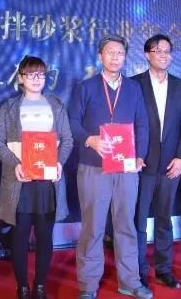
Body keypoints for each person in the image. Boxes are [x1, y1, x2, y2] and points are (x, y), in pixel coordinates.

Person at [68, 35, 152, 299]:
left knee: (126, 224)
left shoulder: (134, 88)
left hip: (126, 167)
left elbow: (142, 123)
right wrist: (89, 139)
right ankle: (88, 285)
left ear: (125, 57)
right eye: (110, 52)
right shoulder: (86, 87)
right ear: (100, 56)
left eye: (120, 53)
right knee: (93, 227)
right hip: (94, 166)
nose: (115, 57)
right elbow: (72, 122)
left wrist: (140, 155)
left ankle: (130, 281)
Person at [0, 56, 73, 299]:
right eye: (31, 74)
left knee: (44, 237)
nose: (37, 79)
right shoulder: (9, 108)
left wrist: (59, 162)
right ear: (20, 78)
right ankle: (22, 287)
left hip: (47, 183)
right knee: (19, 237)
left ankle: (40, 286)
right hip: (20, 182)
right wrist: (15, 164)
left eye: (41, 74)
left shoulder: (56, 105)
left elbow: (68, 140)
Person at [132, 35, 181, 289]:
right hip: (142, 164)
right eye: (158, 50)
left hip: (171, 164)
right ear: (147, 54)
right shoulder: (134, 84)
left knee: (164, 218)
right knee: (138, 221)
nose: (163, 55)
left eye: (167, 51)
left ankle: (164, 269)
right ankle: (138, 272)